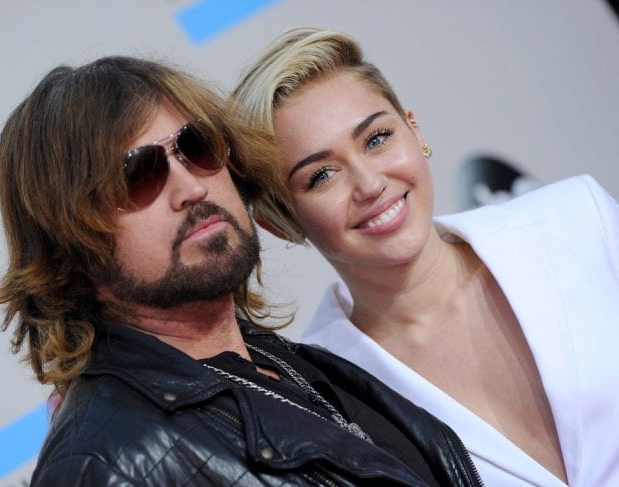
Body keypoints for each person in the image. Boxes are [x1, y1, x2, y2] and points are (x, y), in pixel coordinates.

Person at [0, 55, 484, 486]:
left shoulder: (284, 362)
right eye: (137, 175)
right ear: (67, 243)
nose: (191, 188)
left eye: (197, 146)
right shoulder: (102, 465)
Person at [231, 27, 619, 487]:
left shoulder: (578, 219)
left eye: (376, 139)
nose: (370, 184)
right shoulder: (326, 396)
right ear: (281, 223)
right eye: (322, 176)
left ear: (414, 130)